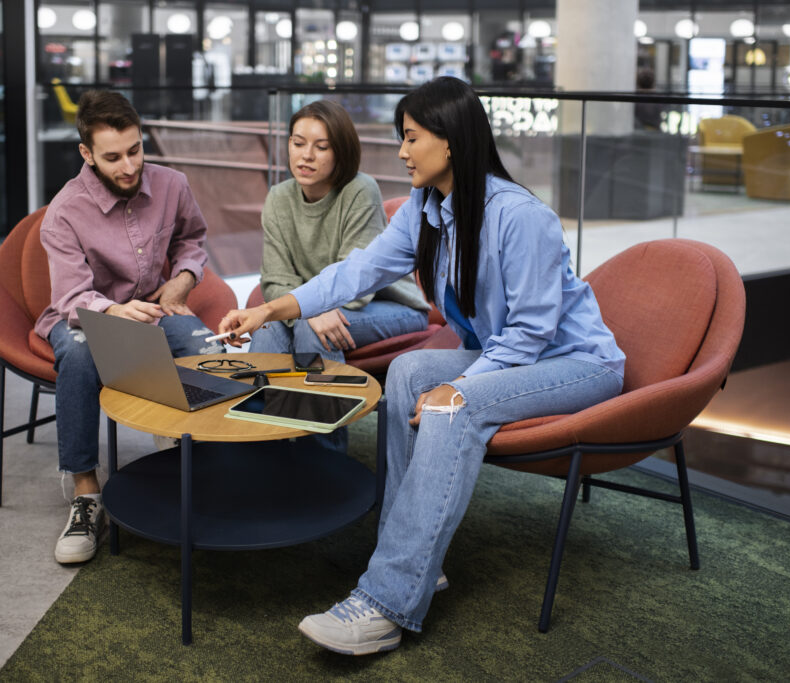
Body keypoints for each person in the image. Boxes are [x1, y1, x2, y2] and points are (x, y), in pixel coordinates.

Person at [217, 77, 626, 655]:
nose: (402, 152)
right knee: (408, 372)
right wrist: (269, 309)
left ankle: (386, 603)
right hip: (508, 354)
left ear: (451, 142)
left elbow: (532, 334)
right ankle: (413, 562)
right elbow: (356, 272)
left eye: (411, 139)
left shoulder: (520, 217)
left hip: (578, 362)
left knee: (453, 408)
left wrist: (459, 386)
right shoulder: (426, 208)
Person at [34, 90, 222, 564]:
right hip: (84, 315)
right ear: (87, 154)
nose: (128, 166)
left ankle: (204, 466)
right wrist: (116, 312)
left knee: (207, 351)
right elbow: (71, 296)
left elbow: (192, 239)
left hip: (155, 307)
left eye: (135, 150)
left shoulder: (173, 184)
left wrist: (182, 279)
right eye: (113, 157)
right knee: (78, 355)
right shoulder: (64, 212)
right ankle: (85, 495)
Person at [252, 99, 430, 365]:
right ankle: (258, 407)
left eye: (321, 147)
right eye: (298, 143)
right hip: (318, 303)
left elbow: (357, 283)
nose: (306, 155)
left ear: (341, 151)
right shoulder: (278, 198)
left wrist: (308, 310)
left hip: (392, 307)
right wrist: (308, 309)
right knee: (268, 328)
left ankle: (331, 406)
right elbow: (275, 281)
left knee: (308, 327)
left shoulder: (360, 190)